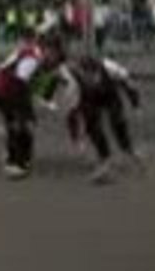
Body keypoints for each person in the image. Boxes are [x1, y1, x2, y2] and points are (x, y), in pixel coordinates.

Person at [60, 55, 144, 184]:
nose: (91, 79)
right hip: (90, 99)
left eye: (93, 76)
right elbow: (72, 111)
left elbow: (128, 84)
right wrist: (76, 139)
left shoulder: (110, 67)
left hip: (110, 96)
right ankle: (105, 158)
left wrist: (135, 104)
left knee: (117, 122)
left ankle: (129, 150)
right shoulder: (73, 79)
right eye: (86, 76)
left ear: (98, 70)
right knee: (91, 125)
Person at [0, 28, 49, 178]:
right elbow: (19, 81)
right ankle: (16, 161)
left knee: (20, 123)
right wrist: (23, 108)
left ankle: (19, 157)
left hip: (2, 89)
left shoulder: (26, 53)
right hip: (6, 91)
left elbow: (8, 71)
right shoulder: (31, 56)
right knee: (19, 124)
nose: (20, 43)